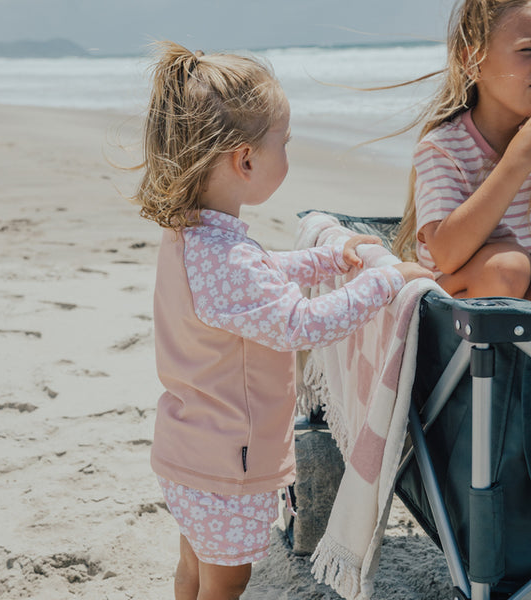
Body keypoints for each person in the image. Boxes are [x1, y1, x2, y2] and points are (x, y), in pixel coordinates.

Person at [135, 41, 433, 600]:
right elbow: (302, 323)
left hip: (185, 449)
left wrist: (325, 258)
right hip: (228, 465)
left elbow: (261, 275)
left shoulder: (193, 240)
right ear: (245, 160)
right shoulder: (227, 261)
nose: (287, 153)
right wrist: (385, 281)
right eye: (284, 143)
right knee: (227, 581)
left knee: (193, 566)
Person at [393, 0, 531, 299]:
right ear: (474, 63)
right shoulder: (444, 148)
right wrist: (519, 158)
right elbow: (447, 255)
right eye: (527, 51)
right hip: (456, 312)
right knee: (508, 266)